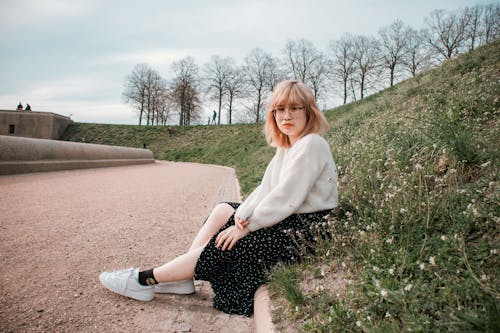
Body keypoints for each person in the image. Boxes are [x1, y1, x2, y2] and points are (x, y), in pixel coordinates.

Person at [99, 80, 338, 316]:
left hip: (306, 230)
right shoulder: (288, 146)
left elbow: (287, 197)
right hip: (289, 218)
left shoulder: (311, 144)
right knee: (225, 210)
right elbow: (266, 189)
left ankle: (144, 280)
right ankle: (183, 278)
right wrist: (242, 216)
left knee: (228, 240)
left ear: (309, 111)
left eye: (295, 108)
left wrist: (247, 227)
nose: (286, 116)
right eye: (280, 109)